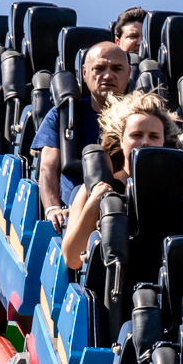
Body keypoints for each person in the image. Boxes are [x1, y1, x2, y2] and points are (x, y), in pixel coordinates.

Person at [60, 92, 180, 269]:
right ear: (121, 140)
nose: (145, 142)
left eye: (154, 136)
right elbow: (72, 259)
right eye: (136, 135)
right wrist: (93, 205)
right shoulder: (94, 187)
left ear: (163, 142)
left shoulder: (175, 190)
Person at [34, 42, 130, 233]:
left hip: (126, 208)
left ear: (128, 74)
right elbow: (47, 167)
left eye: (116, 68)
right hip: (77, 214)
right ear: (85, 73)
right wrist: (53, 208)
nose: (108, 75)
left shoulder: (140, 118)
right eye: (99, 68)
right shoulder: (63, 116)